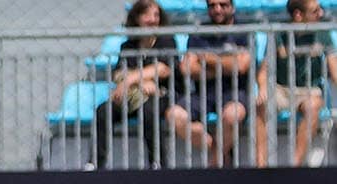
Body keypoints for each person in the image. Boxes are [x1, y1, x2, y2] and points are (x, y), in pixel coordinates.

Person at [166, 0, 253, 168]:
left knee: (233, 114)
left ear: (232, 7)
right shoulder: (199, 32)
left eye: (223, 4)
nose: (217, 9)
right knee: (173, 115)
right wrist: (227, 64)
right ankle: (220, 154)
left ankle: (214, 163)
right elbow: (187, 68)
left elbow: (241, 66)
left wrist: (207, 58)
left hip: (234, 92)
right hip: (204, 94)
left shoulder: (243, 31)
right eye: (212, 5)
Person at [93, 0, 174, 169]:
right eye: (147, 15)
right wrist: (143, 81)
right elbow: (118, 74)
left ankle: (157, 163)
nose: (153, 20)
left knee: (149, 111)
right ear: (136, 18)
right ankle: (95, 164)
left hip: (162, 95)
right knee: (103, 110)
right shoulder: (127, 46)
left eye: (156, 15)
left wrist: (131, 79)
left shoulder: (166, 41)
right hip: (133, 96)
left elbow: (164, 68)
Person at [256, 0, 335, 168]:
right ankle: (260, 166)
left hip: (309, 89)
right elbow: (263, 71)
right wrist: (262, 88)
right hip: (281, 88)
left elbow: (335, 69)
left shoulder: (323, 32)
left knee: (314, 106)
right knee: (261, 105)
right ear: (298, 15)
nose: (321, 13)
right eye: (315, 11)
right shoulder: (278, 34)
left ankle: (295, 166)